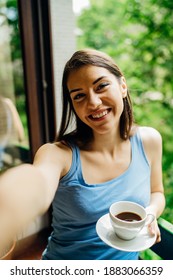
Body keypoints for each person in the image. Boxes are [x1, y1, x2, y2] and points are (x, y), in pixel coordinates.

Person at [0, 49, 165, 260]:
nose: (94, 102)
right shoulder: (58, 154)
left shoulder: (149, 141)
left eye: (101, 86)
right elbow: (36, 182)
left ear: (123, 86)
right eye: (79, 96)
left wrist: (150, 213)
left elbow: (157, 192)